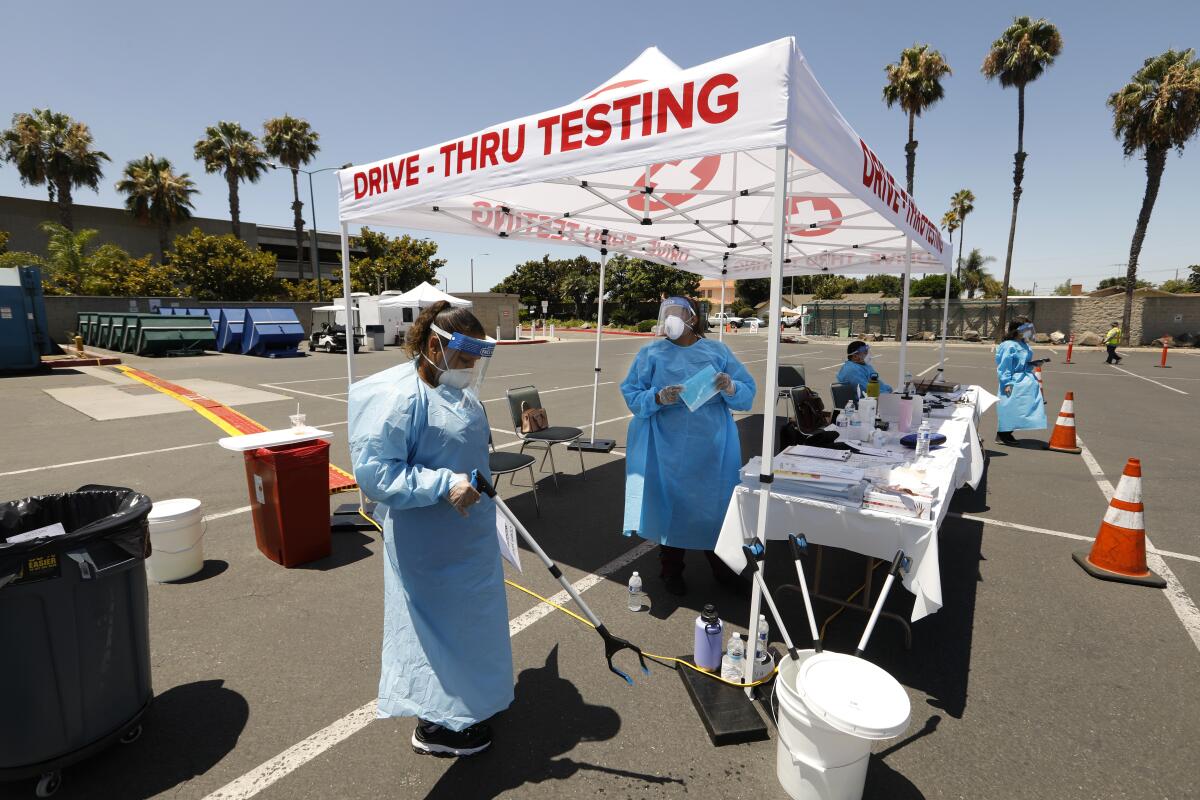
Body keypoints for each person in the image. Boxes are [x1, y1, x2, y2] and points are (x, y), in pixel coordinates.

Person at [348, 300, 507, 758]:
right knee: (436, 632)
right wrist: (443, 483)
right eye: (463, 358)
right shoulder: (398, 397)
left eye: (476, 359)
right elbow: (378, 474)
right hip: (428, 542)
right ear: (434, 345)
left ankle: (468, 704)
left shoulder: (454, 389)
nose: (470, 367)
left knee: (470, 626)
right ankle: (438, 725)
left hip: (468, 534)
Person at [621, 296, 756, 595]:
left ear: (693, 318)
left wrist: (730, 386)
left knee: (714, 510)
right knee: (674, 508)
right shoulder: (651, 354)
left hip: (711, 445)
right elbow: (632, 393)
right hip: (666, 446)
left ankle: (724, 568)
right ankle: (671, 571)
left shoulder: (717, 351)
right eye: (665, 313)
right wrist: (657, 397)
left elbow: (747, 392)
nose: (669, 318)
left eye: (676, 312)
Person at [995, 317, 1047, 445]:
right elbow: (1005, 366)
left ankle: (1006, 433)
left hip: (1025, 379)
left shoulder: (1024, 344)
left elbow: (1023, 363)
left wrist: (1034, 364)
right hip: (1013, 381)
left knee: (1021, 408)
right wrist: (1006, 383)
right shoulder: (1008, 345)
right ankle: (1002, 434)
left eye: (1029, 328)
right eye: (1026, 328)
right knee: (1010, 407)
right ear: (1016, 330)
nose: (1029, 331)